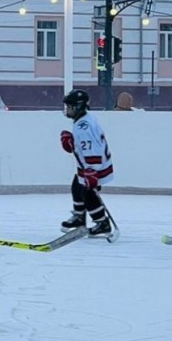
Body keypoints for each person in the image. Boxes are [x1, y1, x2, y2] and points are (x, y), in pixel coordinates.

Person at [59, 89, 118, 241]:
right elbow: (84, 146)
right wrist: (72, 142)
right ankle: (79, 217)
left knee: (88, 193)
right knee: (76, 187)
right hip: (89, 165)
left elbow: (93, 149)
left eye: (70, 106)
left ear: (78, 106)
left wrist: (92, 171)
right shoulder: (84, 119)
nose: (67, 109)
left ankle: (102, 223)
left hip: (95, 166)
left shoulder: (84, 126)